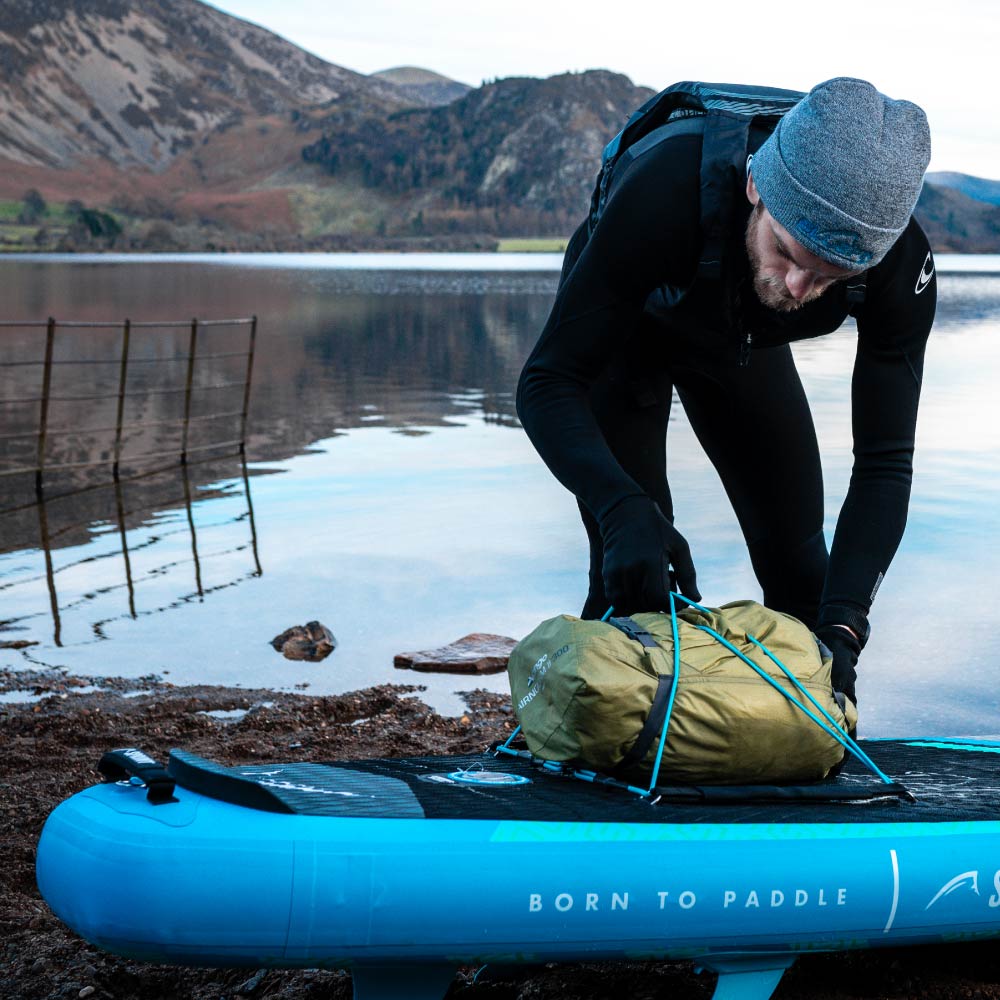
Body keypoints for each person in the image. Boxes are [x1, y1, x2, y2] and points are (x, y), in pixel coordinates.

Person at [516, 78, 936, 706]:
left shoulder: (899, 266)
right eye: (787, 253)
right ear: (754, 188)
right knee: (635, 575)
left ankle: (788, 743)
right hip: (624, 328)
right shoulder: (664, 189)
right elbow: (547, 382)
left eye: (830, 277)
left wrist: (845, 627)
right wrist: (619, 507)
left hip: (739, 343)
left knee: (805, 587)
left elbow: (884, 463)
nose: (797, 288)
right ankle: (591, 740)